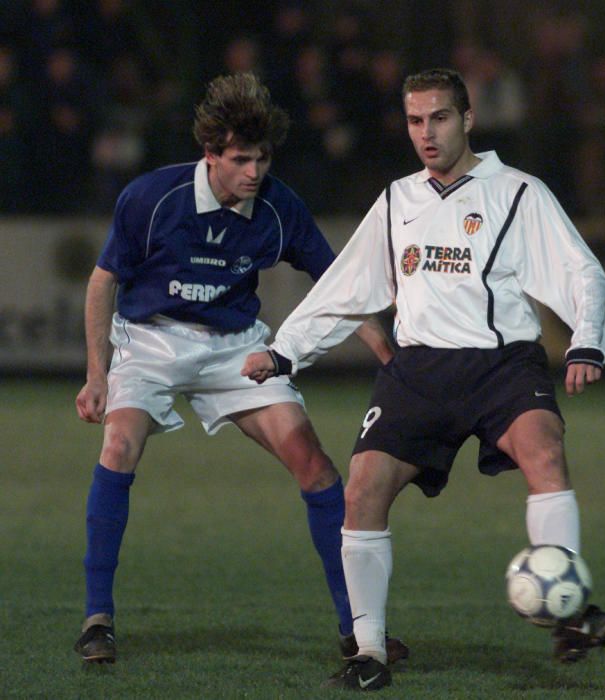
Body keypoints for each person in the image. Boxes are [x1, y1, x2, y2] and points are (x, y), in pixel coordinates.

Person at [242, 68, 605, 691]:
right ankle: (368, 653)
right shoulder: (398, 200)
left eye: (440, 118)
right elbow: (347, 286)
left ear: (467, 119)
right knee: (362, 491)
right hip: (419, 369)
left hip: (504, 365)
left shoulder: (518, 191)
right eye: (416, 120)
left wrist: (587, 340)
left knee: (544, 452)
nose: (427, 132)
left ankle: (570, 616)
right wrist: (286, 351)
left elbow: (582, 271)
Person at [73, 72, 409, 666]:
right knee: (118, 444)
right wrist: (98, 374)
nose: (254, 172)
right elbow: (104, 282)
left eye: (262, 158)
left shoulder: (280, 206)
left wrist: (381, 346)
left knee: (314, 463)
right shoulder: (152, 198)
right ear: (211, 155)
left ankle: (356, 627)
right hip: (150, 343)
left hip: (235, 350)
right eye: (240, 159)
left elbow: (337, 285)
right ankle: (98, 619)